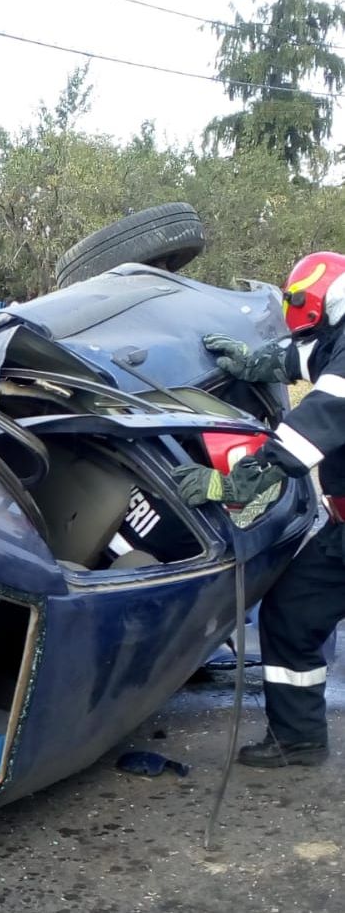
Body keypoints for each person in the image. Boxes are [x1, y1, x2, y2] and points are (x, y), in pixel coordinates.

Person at [173, 251, 345, 768]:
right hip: (342, 527)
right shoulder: (338, 340)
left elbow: (308, 433)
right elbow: (300, 358)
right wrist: (251, 362)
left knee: (295, 614)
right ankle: (298, 739)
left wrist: (230, 486)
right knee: (293, 615)